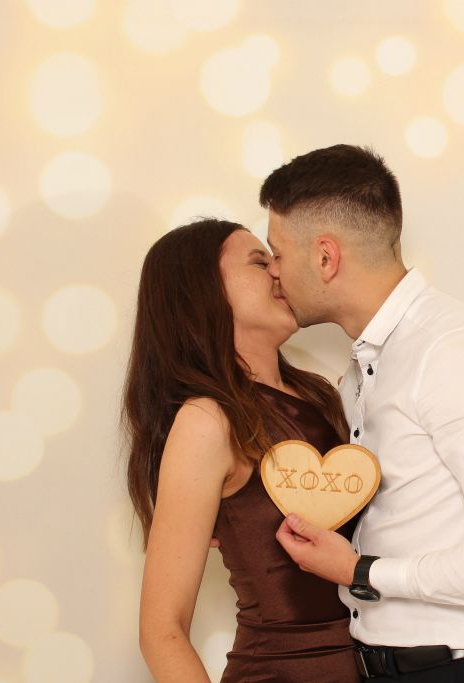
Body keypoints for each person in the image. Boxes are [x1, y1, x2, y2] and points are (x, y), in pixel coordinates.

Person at [259, 144, 464, 682]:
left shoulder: (452, 351)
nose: (273, 273)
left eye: (277, 253)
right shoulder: (365, 365)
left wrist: (363, 572)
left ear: (326, 257)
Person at [121, 219, 361, 682]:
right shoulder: (208, 421)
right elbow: (161, 630)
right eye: (259, 262)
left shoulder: (320, 396)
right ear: (203, 292)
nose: (278, 271)